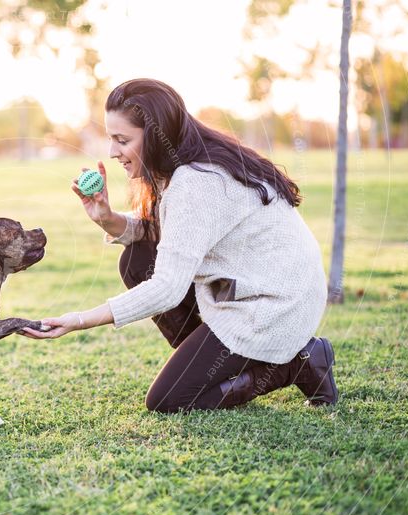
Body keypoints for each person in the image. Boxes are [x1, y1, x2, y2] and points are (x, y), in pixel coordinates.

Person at [19, 78, 338, 413]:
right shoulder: (178, 169)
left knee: (171, 400)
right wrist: (108, 219)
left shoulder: (196, 181)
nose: (112, 152)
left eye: (122, 140)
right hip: (243, 289)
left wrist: (78, 320)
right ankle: (209, 366)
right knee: (137, 260)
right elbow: (170, 234)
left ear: (156, 135)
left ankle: (298, 362)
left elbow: (168, 288)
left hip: (275, 304)